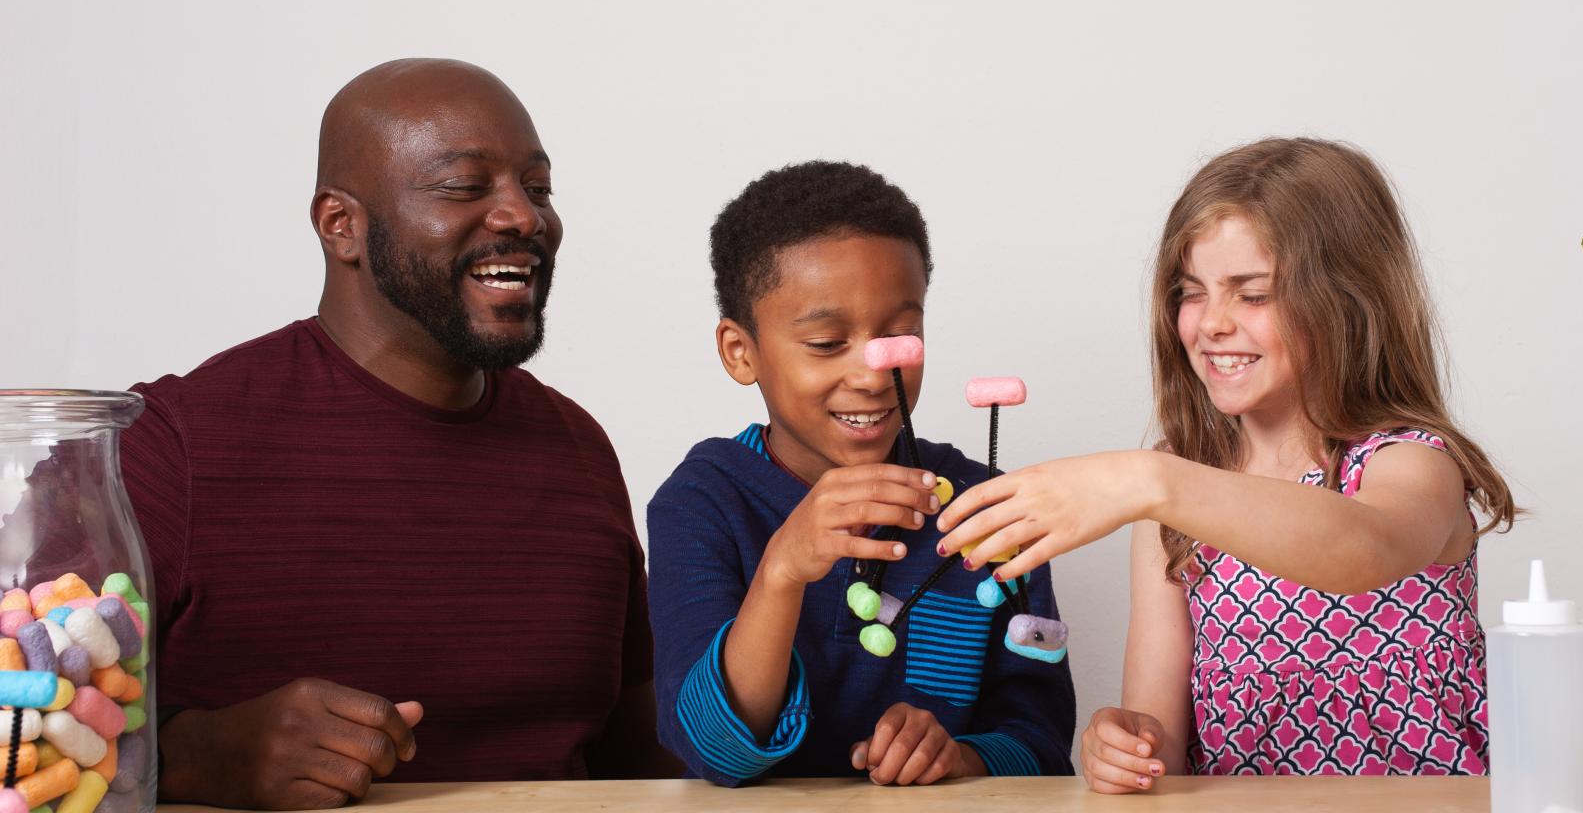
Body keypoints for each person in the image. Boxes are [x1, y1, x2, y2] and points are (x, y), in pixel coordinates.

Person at [122, 58, 673, 809]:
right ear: (340, 225)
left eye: (537, 189)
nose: (525, 217)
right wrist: (193, 756)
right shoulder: (170, 446)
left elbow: (640, 759)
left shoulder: (575, 446)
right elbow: (25, 729)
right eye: (464, 187)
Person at [935, 138, 1515, 788]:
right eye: (1192, 291)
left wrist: (1148, 480)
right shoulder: (1173, 493)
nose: (1211, 323)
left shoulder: (1410, 462)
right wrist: (1122, 743)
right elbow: (1161, 741)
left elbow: (1366, 550)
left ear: (1347, 300)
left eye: (1253, 294)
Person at [647, 161, 1075, 787]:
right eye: (826, 343)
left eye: (901, 334)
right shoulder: (702, 501)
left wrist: (963, 756)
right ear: (742, 352)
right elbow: (713, 752)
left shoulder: (986, 508)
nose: (875, 375)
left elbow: (1042, 740)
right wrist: (783, 569)